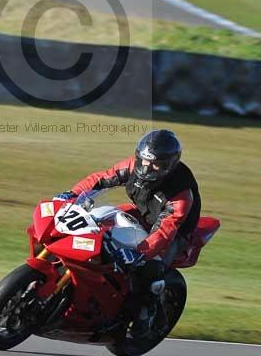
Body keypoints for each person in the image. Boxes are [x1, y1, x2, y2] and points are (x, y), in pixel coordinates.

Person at [54, 129, 201, 336]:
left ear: (169, 166)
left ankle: (146, 312)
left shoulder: (180, 195)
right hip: (141, 212)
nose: (147, 168)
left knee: (149, 268)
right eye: (144, 161)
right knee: (99, 221)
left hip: (174, 234)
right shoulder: (134, 165)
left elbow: (165, 232)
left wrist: (140, 253)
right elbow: (102, 179)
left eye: (155, 164)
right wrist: (73, 194)